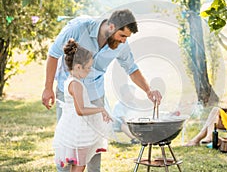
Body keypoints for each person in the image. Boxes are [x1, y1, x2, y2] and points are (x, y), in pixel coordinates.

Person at [42, 9, 162, 172]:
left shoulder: (121, 45)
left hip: (95, 94)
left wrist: (148, 91)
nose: (123, 41)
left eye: (126, 37)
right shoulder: (79, 27)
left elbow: (131, 69)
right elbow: (53, 54)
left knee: (93, 142)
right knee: (69, 140)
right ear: (111, 26)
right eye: (122, 36)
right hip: (69, 92)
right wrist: (48, 88)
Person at [53, 39, 113, 172]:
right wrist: (101, 109)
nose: (89, 71)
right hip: (79, 132)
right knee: (79, 165)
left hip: (74, 128)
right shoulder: (76, 84)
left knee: (79, 164)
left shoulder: (70, 81)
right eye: (88, 68)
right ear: (78, 67)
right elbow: (80, 110)